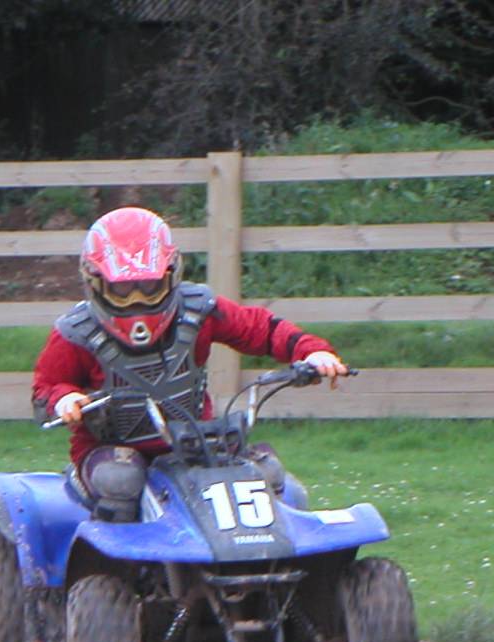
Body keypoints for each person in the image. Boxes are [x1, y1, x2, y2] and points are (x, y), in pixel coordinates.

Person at [32, 206, 348, 520]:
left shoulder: (197, 311)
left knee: (267, 471)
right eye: (123, 289)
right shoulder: (77, 332)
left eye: (149, 286)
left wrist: (311, 352)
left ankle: (285, 560)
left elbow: (260, 328)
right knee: (120, 480)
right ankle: (115, 568)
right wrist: (65, 399)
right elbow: (44, 390)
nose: (137, 299)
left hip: (193, 440)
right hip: (110, 449)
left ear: (171, 276)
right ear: (96, 282)